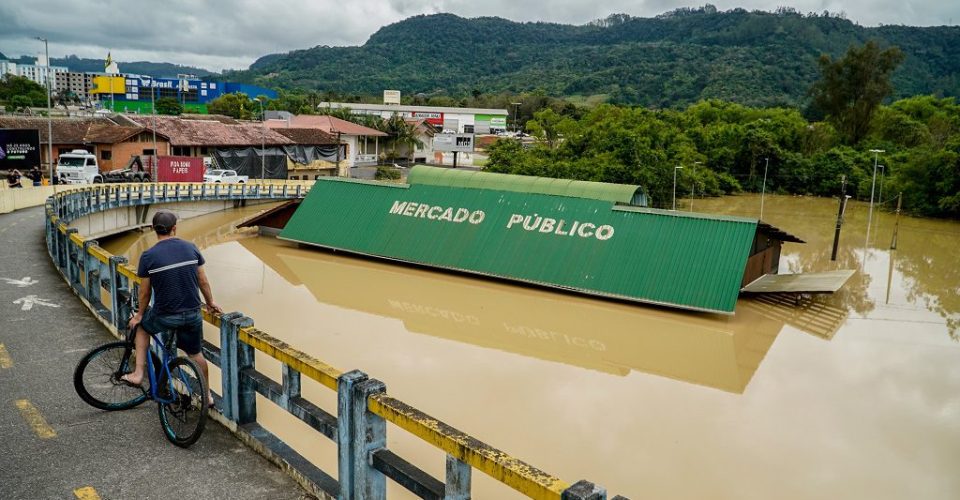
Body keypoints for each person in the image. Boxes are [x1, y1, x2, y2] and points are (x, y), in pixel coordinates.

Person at [122, 210, 223, 407]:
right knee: (196, 354)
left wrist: (140, 315)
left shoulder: (148, 256)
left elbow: (144, 293)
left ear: (153, 229)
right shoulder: (191, 248)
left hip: (166, 315)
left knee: (142, 327)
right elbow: (202, 280)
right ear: (174, 228)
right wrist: (210, 302)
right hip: (193, 313)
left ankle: (137, 373)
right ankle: (207, 395)